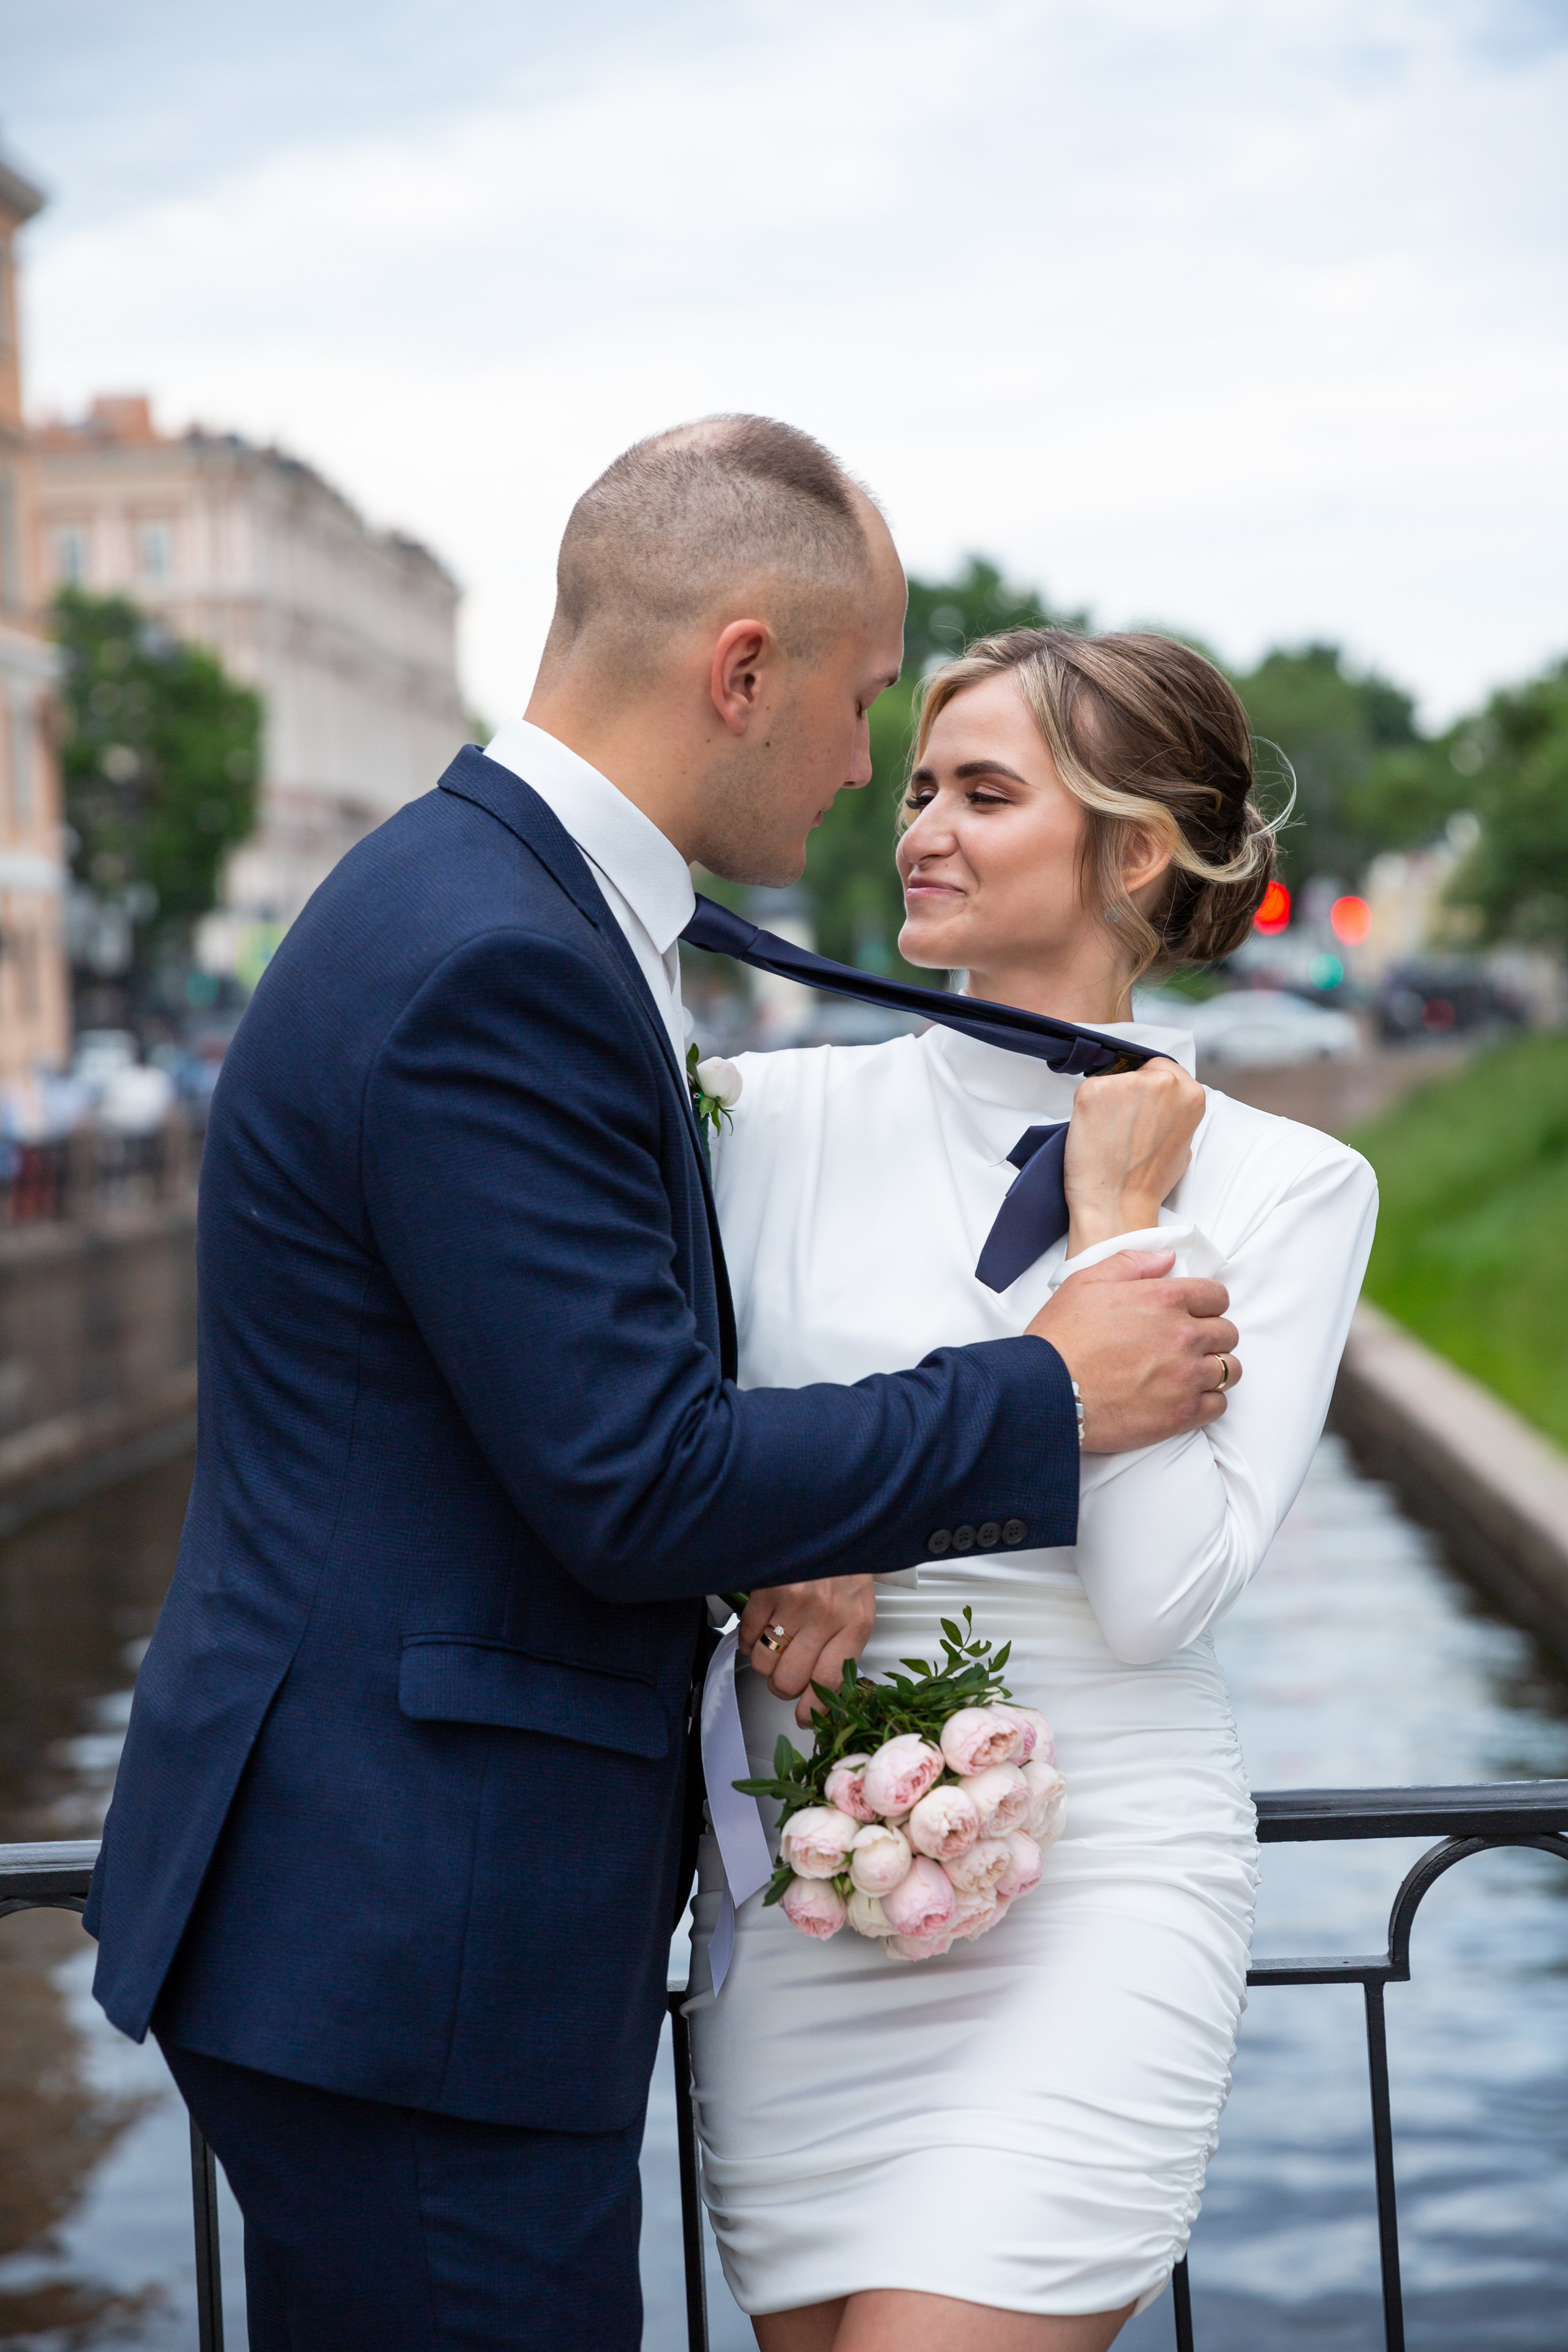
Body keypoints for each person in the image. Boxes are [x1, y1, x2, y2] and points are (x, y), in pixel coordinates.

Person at [82, 420, 1239, 2351]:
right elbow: (631, 1475)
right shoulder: (493, 957)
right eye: (870, 703)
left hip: (399, 1925)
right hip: (411, 1934)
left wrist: (838, 1523)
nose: (873, 769)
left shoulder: (500, 904)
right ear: (745, 671)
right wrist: (1047, 1391)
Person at [688, 625, 1378, 2352]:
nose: (920, 825)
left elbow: (1155, 1600)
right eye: (919, 784)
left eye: (985, 794)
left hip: (1099, 1892)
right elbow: (641, 1466)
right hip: (802, 1901)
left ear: (1134, 851)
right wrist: (807, 1524)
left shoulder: (1291, 1186)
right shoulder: (761, 1117)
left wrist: (1118, 1226)